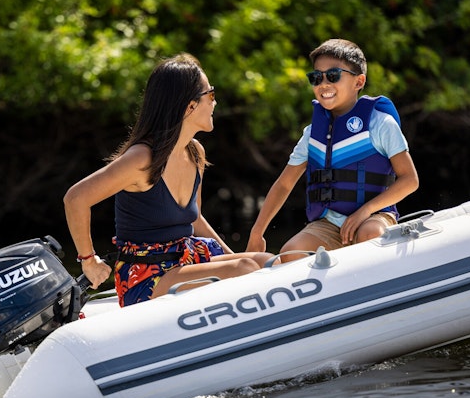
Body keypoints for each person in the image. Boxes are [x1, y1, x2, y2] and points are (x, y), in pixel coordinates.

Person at [64, 53, 271, 307]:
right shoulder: (142, 159)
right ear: (189, 106)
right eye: (211, 95)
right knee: (244, 269)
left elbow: (195, 218)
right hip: (145, 278)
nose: (215, 103)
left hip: (186, 261)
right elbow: (76, 198)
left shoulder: (195, 153)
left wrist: (234, 255)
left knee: (266, 263)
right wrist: (88, 260)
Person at [247, 39, 419, 261]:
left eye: (333, 75)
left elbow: (410, 180)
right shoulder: (312, 134)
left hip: (374, 216)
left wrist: (365, 211)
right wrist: (257, 231)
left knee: (369, 234)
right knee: (291, 253)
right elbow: (284, 184)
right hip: (329, 225)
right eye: (316, 78)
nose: (324, 84)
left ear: (359, 82)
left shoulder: (381, 124)